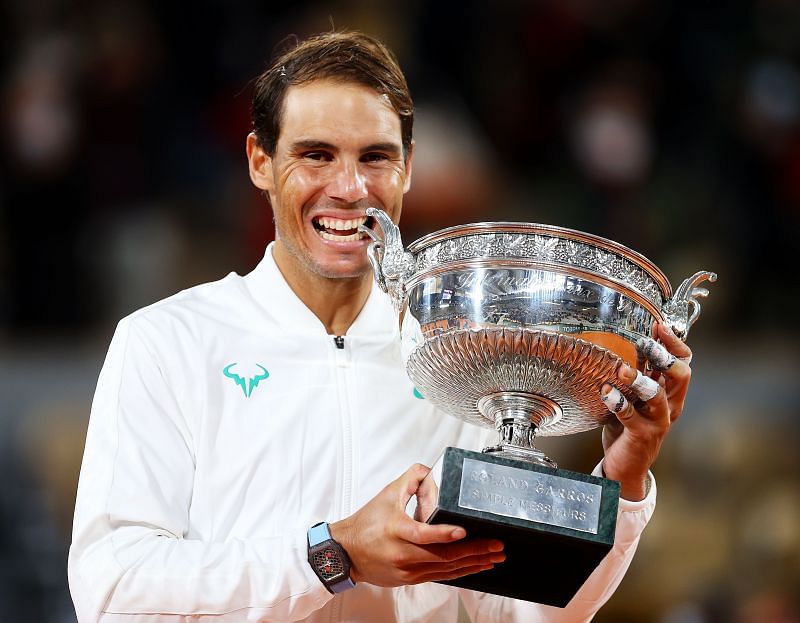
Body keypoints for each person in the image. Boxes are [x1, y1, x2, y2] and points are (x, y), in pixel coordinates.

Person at [68, 31, 695, 622]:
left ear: (409, 168)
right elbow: (114, 589)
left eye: (375, 158)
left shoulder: (458, 354)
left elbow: (521, 612)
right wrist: (333, 554)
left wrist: (624, 478)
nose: (349, 188)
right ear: (260, 160)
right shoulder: (167, 343)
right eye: (315, 155)